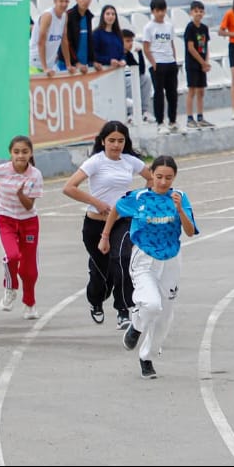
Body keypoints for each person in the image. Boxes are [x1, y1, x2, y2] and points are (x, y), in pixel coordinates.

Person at [104, 154, 197, 380]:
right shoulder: (139, 197)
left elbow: (191, 231)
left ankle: (147, 357)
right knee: (152, 304)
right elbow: (116, 209)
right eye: (159, 177)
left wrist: (180, 211)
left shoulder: (180, 197)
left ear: (174, 177)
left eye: (168, 177)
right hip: (144, 258)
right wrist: (105, 236)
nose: (163, 182)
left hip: (171, 259)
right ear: (151, 175)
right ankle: (136, 326)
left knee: (164, 314)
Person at [62, 120, 153, 330]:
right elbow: (69, 187)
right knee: (102, 273)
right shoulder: (95, 162)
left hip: (121, 222)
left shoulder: (130, 161)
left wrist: (138, 201)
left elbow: (151, 180)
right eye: (111, 140)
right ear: (103, 141)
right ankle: (95, 300)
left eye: (120, 141)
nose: (116, 145)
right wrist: (96, 202)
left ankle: (123, 310)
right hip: (95, 225)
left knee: (123, 260)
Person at [0, 135, 44, 320]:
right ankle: (10, 287)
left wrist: (20, 194)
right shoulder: (1, 170)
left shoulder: (35, 175)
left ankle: (30, 304)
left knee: (29, 269)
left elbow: (29, 206)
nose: (20, 156)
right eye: (16, 152)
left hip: (29, 222)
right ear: (11, 153)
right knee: (13, 255)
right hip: (6, 220)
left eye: (25, 152)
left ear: (30, 153)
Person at [143, 0, 180, 134]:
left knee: (172, 93)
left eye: (163, 10)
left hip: (170, 62)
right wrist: (153, 63)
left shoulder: (169, 26)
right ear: (153, 11)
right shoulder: (149, 27)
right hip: (158, 62)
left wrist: (174, 60)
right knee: (159, 93)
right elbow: (146, 47)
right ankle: (160, 122)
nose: (161, 13)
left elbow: (171, 44)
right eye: (158, 10)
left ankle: (172, 120)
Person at [183, 1, 214, 130]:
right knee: (192, 90)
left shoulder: (204, 28)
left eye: (201, 11)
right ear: (191, 12)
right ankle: (190, 118)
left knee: (201, 91)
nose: (198, 14)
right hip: (192, 63)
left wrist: (206, 62)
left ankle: (200, 117)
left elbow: (206, 47)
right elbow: (191, 48)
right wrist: (202, 62)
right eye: (196, 11)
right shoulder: (190, 28)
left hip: (202, 63)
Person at [30, 0, 73, 76]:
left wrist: (68, 65)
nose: (64, 4)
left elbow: (64, 40)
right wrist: (45, 67)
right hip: (35, 63)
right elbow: (41, 42)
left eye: (66, 1)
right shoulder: (48, 16)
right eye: (61, 1)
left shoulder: (65, 15)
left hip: (50, 63)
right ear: (55, 1)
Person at [63, 0, 100, 72]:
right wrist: (76, 62)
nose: (86, 1)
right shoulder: (69, 16)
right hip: (69, 65)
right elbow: (67, 42)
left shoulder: (88, 16)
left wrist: (93, 60)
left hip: (84, 65)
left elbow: (89, 40)